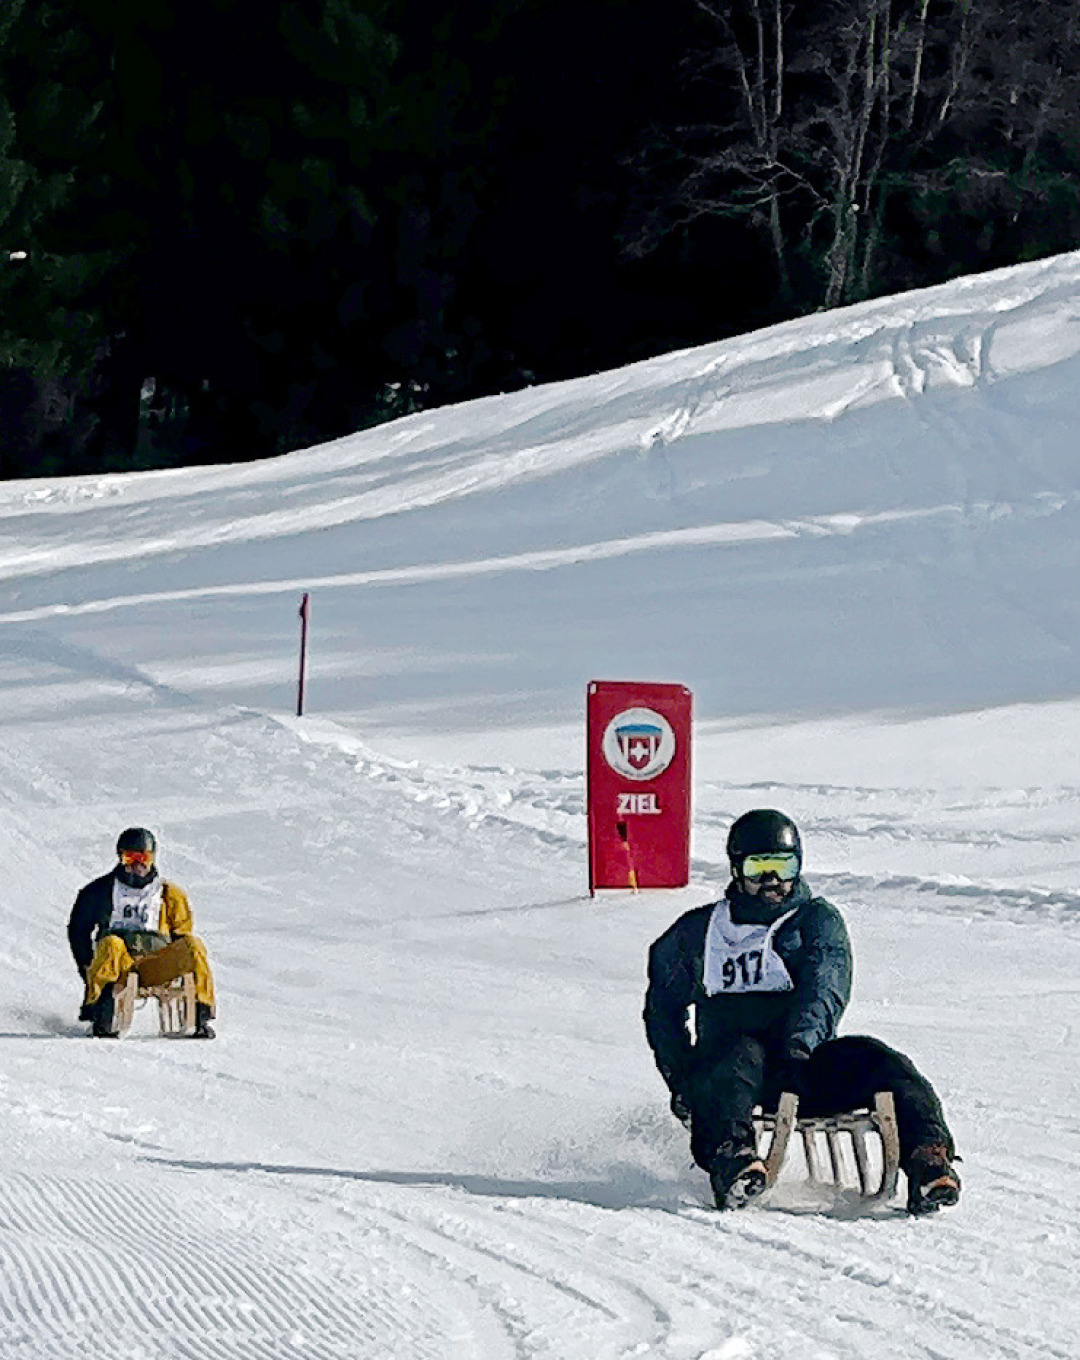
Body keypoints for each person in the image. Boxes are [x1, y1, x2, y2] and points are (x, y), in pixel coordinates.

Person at [644, 809, 960, 1215]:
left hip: (805, 1064)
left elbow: (825, 988)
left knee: (881, 1059)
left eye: (783, 867)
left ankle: (927, 1159)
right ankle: (732, 1156)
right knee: (738, 1055)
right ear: (737, 869)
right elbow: (662, 1009)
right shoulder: (699, 932)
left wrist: (800, 1049)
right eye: (759, 868)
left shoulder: (815, 920)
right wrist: (682, 1076)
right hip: (732, 1073)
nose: (771, 881)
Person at [68, 828, 217, 1040]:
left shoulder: (169, 894)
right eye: (130, 857)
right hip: (119, 964)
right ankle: (100, 1011)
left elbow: (182, 933)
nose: (137, 865)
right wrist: (87, 966)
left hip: (156, 962)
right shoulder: (100, 891)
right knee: (110, 943)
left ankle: (201, 1013)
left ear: (152, 858)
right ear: (120, 857)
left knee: (194, 945)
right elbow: (78, 929)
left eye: (143, 858)